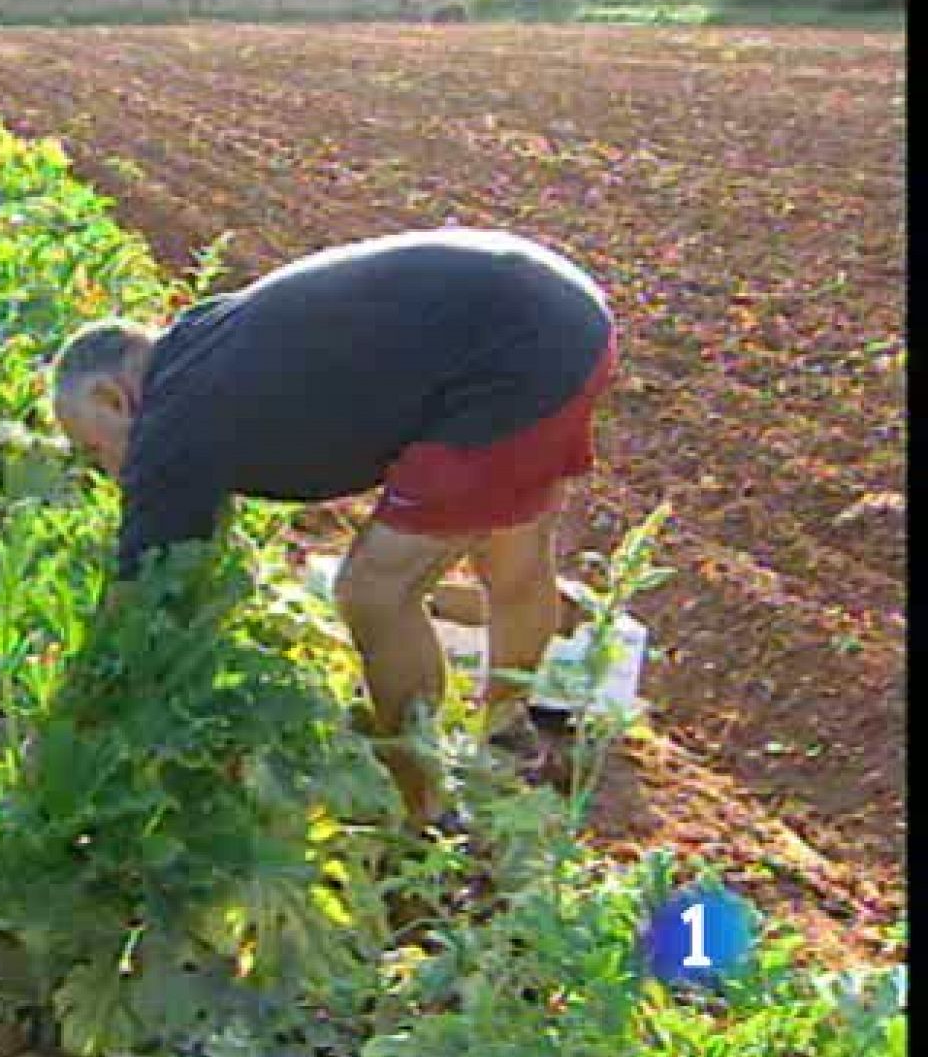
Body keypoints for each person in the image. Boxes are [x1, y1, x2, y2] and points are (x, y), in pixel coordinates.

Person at [49, 228, 618, 828]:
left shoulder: (171, 419)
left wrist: (72, 709)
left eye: (94, 450)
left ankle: (424, 802)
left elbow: (145, 595)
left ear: (114, 399)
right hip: (562, 313)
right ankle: (505, 733)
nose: (112, 472)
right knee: (512, 555)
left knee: (374, 593)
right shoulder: (198, 342)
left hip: (507, 363)